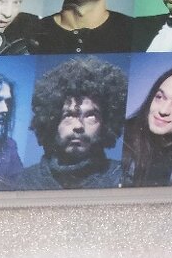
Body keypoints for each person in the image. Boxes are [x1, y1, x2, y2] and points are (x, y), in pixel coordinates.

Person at [17, 57, 127, 190]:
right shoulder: (23, 182)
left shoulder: (123, 177)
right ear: (52, 121)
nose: (78, 126)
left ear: (106, 123)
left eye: (91, 116)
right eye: (69, 115)